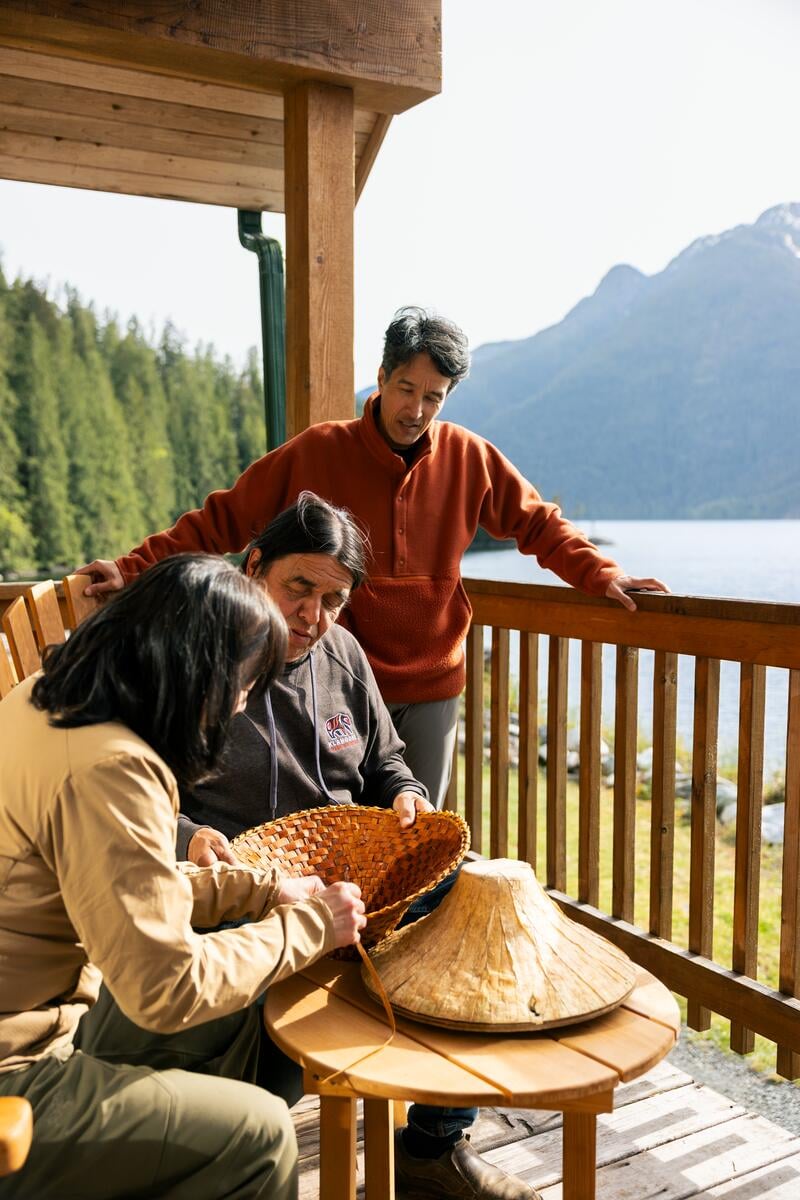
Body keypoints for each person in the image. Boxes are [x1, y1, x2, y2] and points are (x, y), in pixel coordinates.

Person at [77, 306, 668, 809]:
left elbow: (538, 523)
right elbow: (220, 520)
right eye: (406, 389)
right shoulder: (317, 451)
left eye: (433, 398)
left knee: (414, 829)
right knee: (338, 821)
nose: (416, 409)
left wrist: (603, 574)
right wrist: (131, 570)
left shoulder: (471, 458)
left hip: (435, 682)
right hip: (338, 679)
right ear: (381, 377)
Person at [172, 496, 540, 1200]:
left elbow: (388, 761)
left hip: (356, 880)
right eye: (298, 590)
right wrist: (192, 839)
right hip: (243, 891)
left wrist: (408, 795)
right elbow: (137, 793)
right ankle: (222, 1137)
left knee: (474, 901)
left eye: (334, 599)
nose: (313, 616)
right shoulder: (195, 661)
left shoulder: (341, 652)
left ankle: (432, 1145)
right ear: (253, 568)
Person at [0, 555, 366, 1200]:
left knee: (245, 998)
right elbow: (164, 987)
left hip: (33, 1010)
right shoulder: (114, 767)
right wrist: (309, 926)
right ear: (200, 670)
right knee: (256, 1137)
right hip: (17, 1071)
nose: (247, 698)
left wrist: (259, 891)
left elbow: (110, 884)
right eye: (248, 680)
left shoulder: (45, 699)